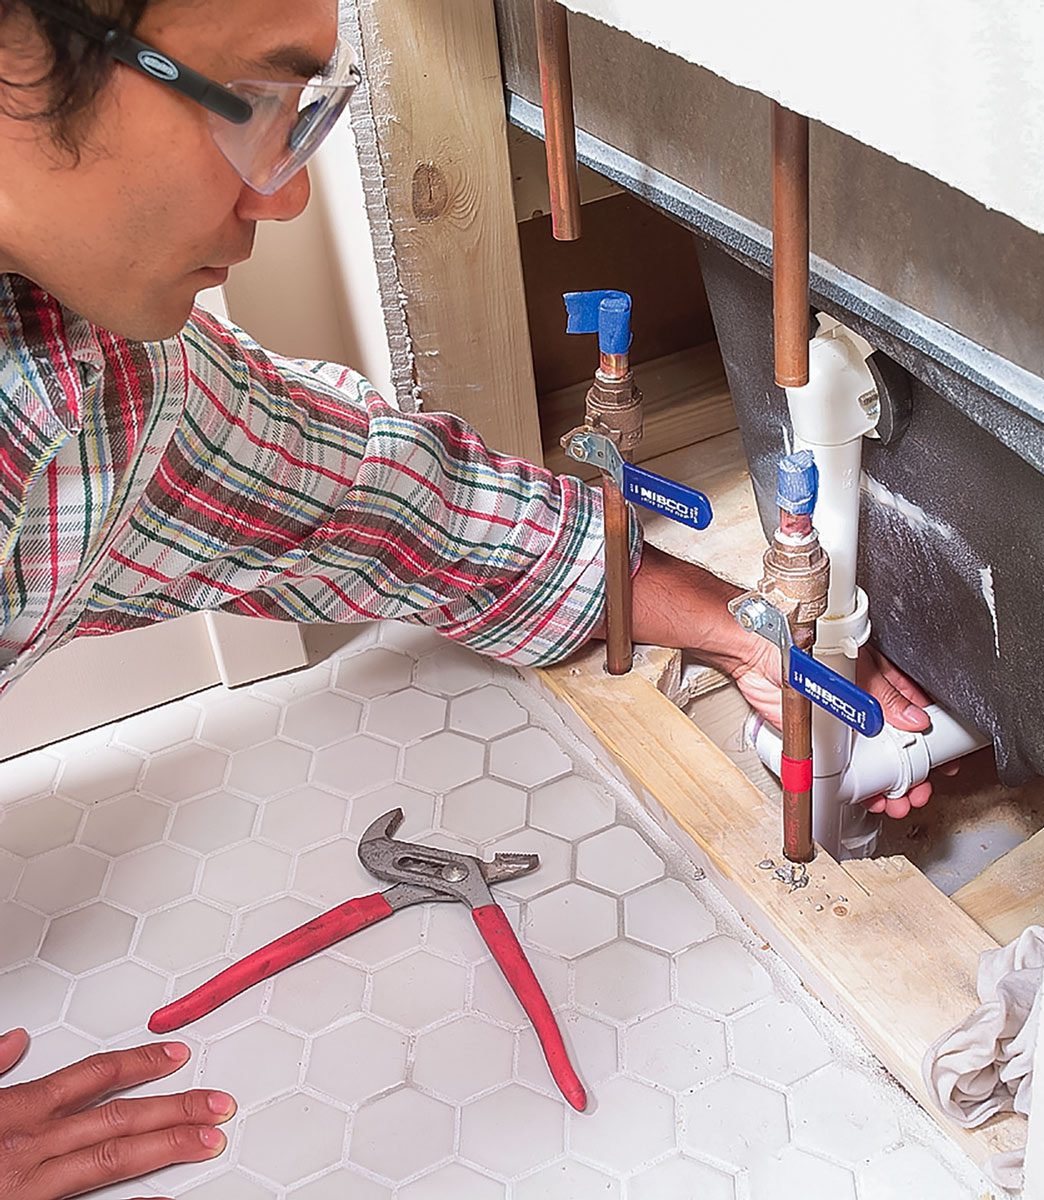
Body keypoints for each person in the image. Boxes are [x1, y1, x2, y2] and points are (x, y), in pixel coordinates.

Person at [0, 1, 947, 1195]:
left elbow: (388, 503)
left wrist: (738, 629)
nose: (282, 197)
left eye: (307, 120)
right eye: (251, 101)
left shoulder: (97, 379)